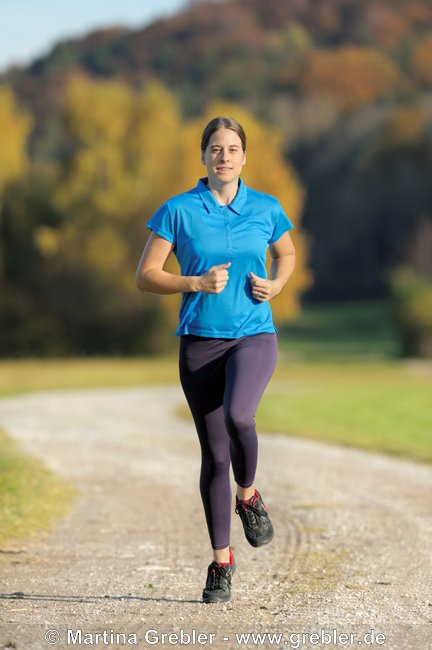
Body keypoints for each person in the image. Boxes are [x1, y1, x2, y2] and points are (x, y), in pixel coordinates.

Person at [136, 116, 296, 603]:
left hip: (254, 334)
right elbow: (146, 275)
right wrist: (193, 283)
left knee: (239, 415)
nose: (224, 156)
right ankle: (221, 561)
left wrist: (278, 284)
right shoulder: (178, 211)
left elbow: (286, 254)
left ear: (245, 157)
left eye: (232, 148)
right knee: (214, 454)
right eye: (215, 148)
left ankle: (248, 494)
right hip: (200, 341)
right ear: (203, 156)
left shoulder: (267, 208)